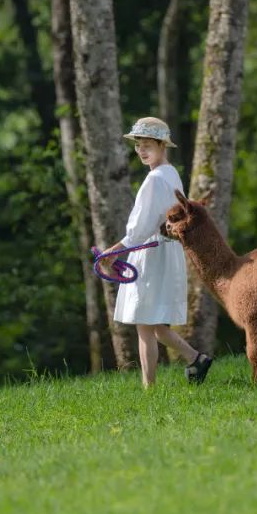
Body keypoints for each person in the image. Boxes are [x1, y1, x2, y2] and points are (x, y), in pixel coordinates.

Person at [96, 117, 212, 388]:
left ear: (162, 145)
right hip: (165, 252)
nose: (141, 151)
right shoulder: (170, 173)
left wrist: (112, 252)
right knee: (156, 325)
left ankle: (150, 389)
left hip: (151, 254)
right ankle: (196, 358)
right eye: (138, 146)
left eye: (147, 145)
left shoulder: (154, 179)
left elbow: (139, 229)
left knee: (145, 326)